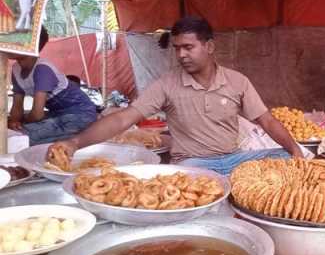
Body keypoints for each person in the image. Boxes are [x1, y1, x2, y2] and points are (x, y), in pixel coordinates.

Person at [47, 16, 303, 175]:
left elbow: (267, 121)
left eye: (188, 47)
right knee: (191, 176)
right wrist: (75, 143)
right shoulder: (167, 84)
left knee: (287, 157)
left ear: (209, 47)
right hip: (194, 165)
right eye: (177, 48)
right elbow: (123, 119)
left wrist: (294, 150)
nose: (181, 55)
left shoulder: (237, 82)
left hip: (233, 160)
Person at [8, 27, 97, 145]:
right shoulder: (16, 69)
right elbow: (17, 107)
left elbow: (37, 115)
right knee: (8, 127)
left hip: (80, 115)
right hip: (58, 114)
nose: (6, 43)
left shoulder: (42, 69)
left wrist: (20, 124)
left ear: (29, 45)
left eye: (13, 39)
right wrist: (14, 121)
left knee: (17, 138)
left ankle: (82, 134)